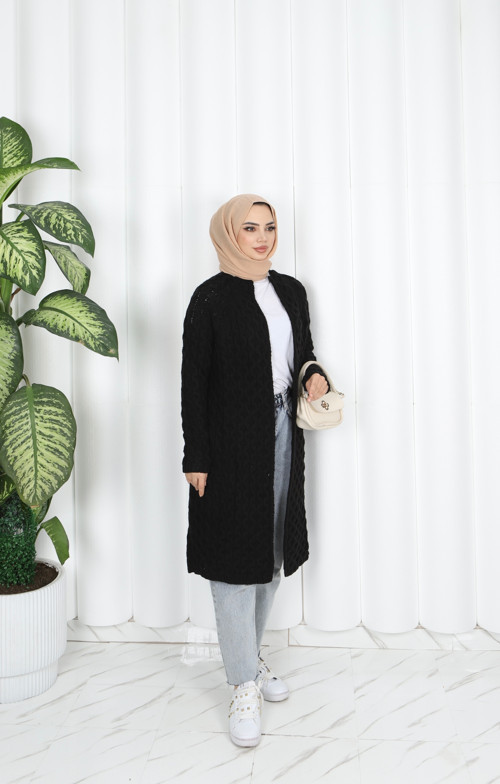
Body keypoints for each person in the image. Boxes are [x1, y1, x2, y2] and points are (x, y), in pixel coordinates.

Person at [181, 194, 328, 747]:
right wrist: (197, 457)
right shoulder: (210, 299)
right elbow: (193, 383)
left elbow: (302, 352)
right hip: (229, 442)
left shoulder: (290, 290)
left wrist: (312, 375)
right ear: (228, 233)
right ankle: (242, 682)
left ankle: (249, 655)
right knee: (230, 560)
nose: (263, 238)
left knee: (270, 551)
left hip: (284, 429)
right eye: (250, 228)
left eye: (269, 227)